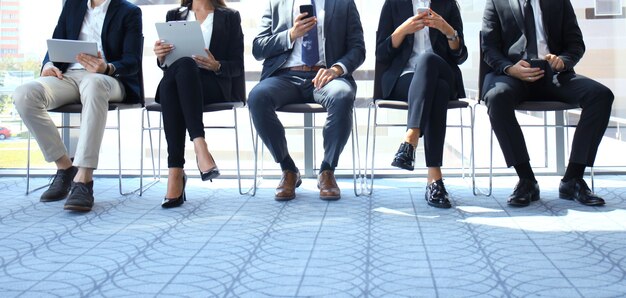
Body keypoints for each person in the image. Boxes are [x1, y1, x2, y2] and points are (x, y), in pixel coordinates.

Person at [13, 0, 142, 212]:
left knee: (93, 83)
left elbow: (132, 61)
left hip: (108, 78)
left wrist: (107, 67)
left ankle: (84, 179)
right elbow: (55, 42)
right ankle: (65, 167)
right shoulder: (73, 5)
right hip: (68, 76)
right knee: (25, 94)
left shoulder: (129, 11)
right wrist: (49, 64)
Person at [481, 0, 614, 207]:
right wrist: (510, 68)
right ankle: (526, 179)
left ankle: (573, 178)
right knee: (496, 97)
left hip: (554, 74)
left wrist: (563, 60)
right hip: (515, 75)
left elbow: (576, 44)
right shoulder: (497, 2)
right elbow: (488, 47)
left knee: (601, 95)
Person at [248, 0, 365, 201]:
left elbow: (358, 49)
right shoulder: (277, 3)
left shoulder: (343, 3)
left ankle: (327, 170)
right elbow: (258, 48)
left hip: (326, 76)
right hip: (285, 76)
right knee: (258, 97)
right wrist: (291, 35)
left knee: (342, 95)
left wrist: (336, 69)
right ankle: (288, 169)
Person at [376, 0, 467, 208]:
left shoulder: (448, 4)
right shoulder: (393, 4)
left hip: (442, 69)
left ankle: (411, 137)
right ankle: (435, 179)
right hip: (405, 78)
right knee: (439, 90)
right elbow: (381, 54)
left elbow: (461, 56)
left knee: (427, 60)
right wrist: (402, 31)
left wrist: (447, 30)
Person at [153, 0, 244, 208]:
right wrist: (160, 57)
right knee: (181, 69)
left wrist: (217, 65)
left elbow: (238, 65)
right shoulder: (174, 15)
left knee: (175, 81)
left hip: (212, 86)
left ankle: (175, 172)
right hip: (178, 84)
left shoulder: (229, 17)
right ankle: (200, 148)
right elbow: (165, 65)